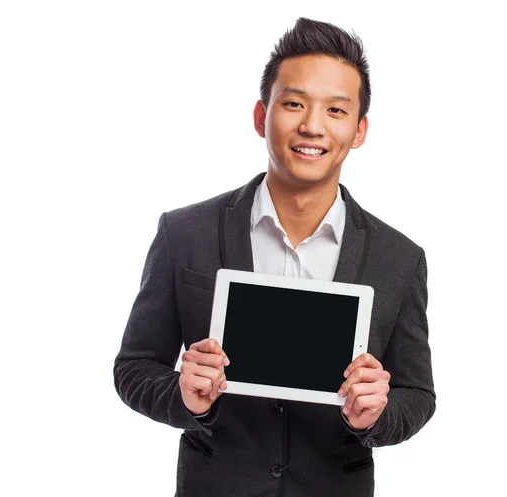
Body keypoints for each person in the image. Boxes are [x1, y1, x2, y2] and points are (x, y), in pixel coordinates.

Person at [113, 17, 435, 497]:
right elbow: (134, 367)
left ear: (360, 129)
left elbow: (418, 395)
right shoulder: (184, 233)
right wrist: (186, 398)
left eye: (336, 110)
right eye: (294, 103)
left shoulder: (399, 257)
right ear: (262, 115)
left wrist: (378, 415)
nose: (312, 125)